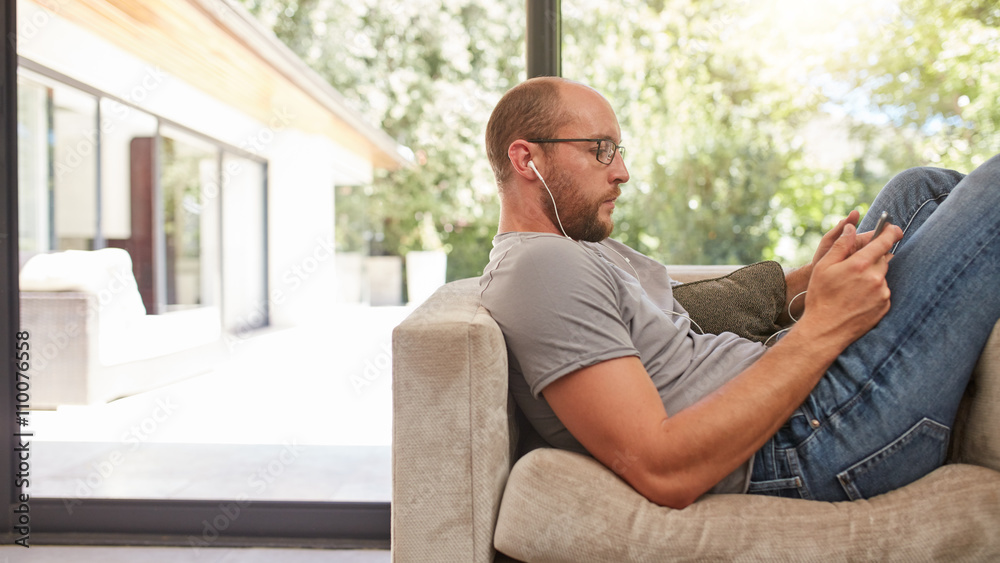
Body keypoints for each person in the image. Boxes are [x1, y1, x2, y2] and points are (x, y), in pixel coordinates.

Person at [478, 76, 1000, 508]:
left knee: (921, 189)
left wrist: (807, 284)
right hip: (804, 442)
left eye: (618, 150)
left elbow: (684, 320)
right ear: (527, 160)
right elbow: (662, 469)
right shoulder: (537, 267)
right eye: (601, 150)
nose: (622, 172)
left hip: (794, 401)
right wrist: (825, 323)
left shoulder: (577, 249)